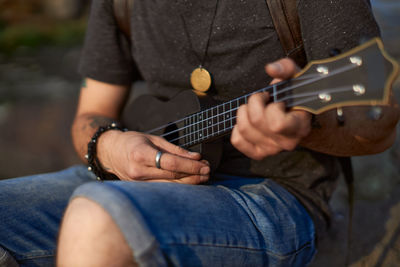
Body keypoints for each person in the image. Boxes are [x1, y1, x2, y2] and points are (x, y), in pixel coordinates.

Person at [1, 0, 399, 266]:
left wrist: (305, 128)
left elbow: (376, 126)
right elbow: (92, 112)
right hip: (127, 179)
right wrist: (107, 146)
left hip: (272, 195)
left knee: (99, 215)